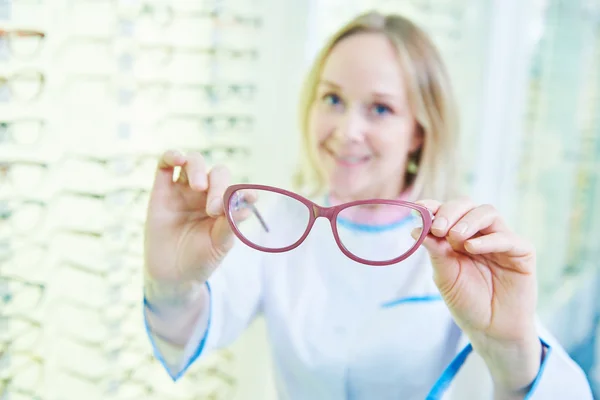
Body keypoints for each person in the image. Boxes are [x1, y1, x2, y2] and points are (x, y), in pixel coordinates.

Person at [142, 11, 594, 400]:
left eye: (379, 109)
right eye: (332, 99)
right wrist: (170, 283)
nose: (346, 130)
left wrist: (513, 349)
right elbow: (185, 332)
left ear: (420, 130)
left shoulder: (459, 244)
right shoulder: (275, 223)